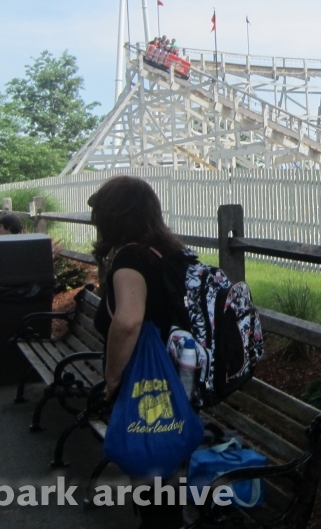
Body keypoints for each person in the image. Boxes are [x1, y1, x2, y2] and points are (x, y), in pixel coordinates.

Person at [89, 175, 190, 529]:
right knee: (165, 467)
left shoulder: (131, 258)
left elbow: (129, 321)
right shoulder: (168, 251)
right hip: (176, 371)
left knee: (151, 469)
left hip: (146, 380)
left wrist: (112, 377)